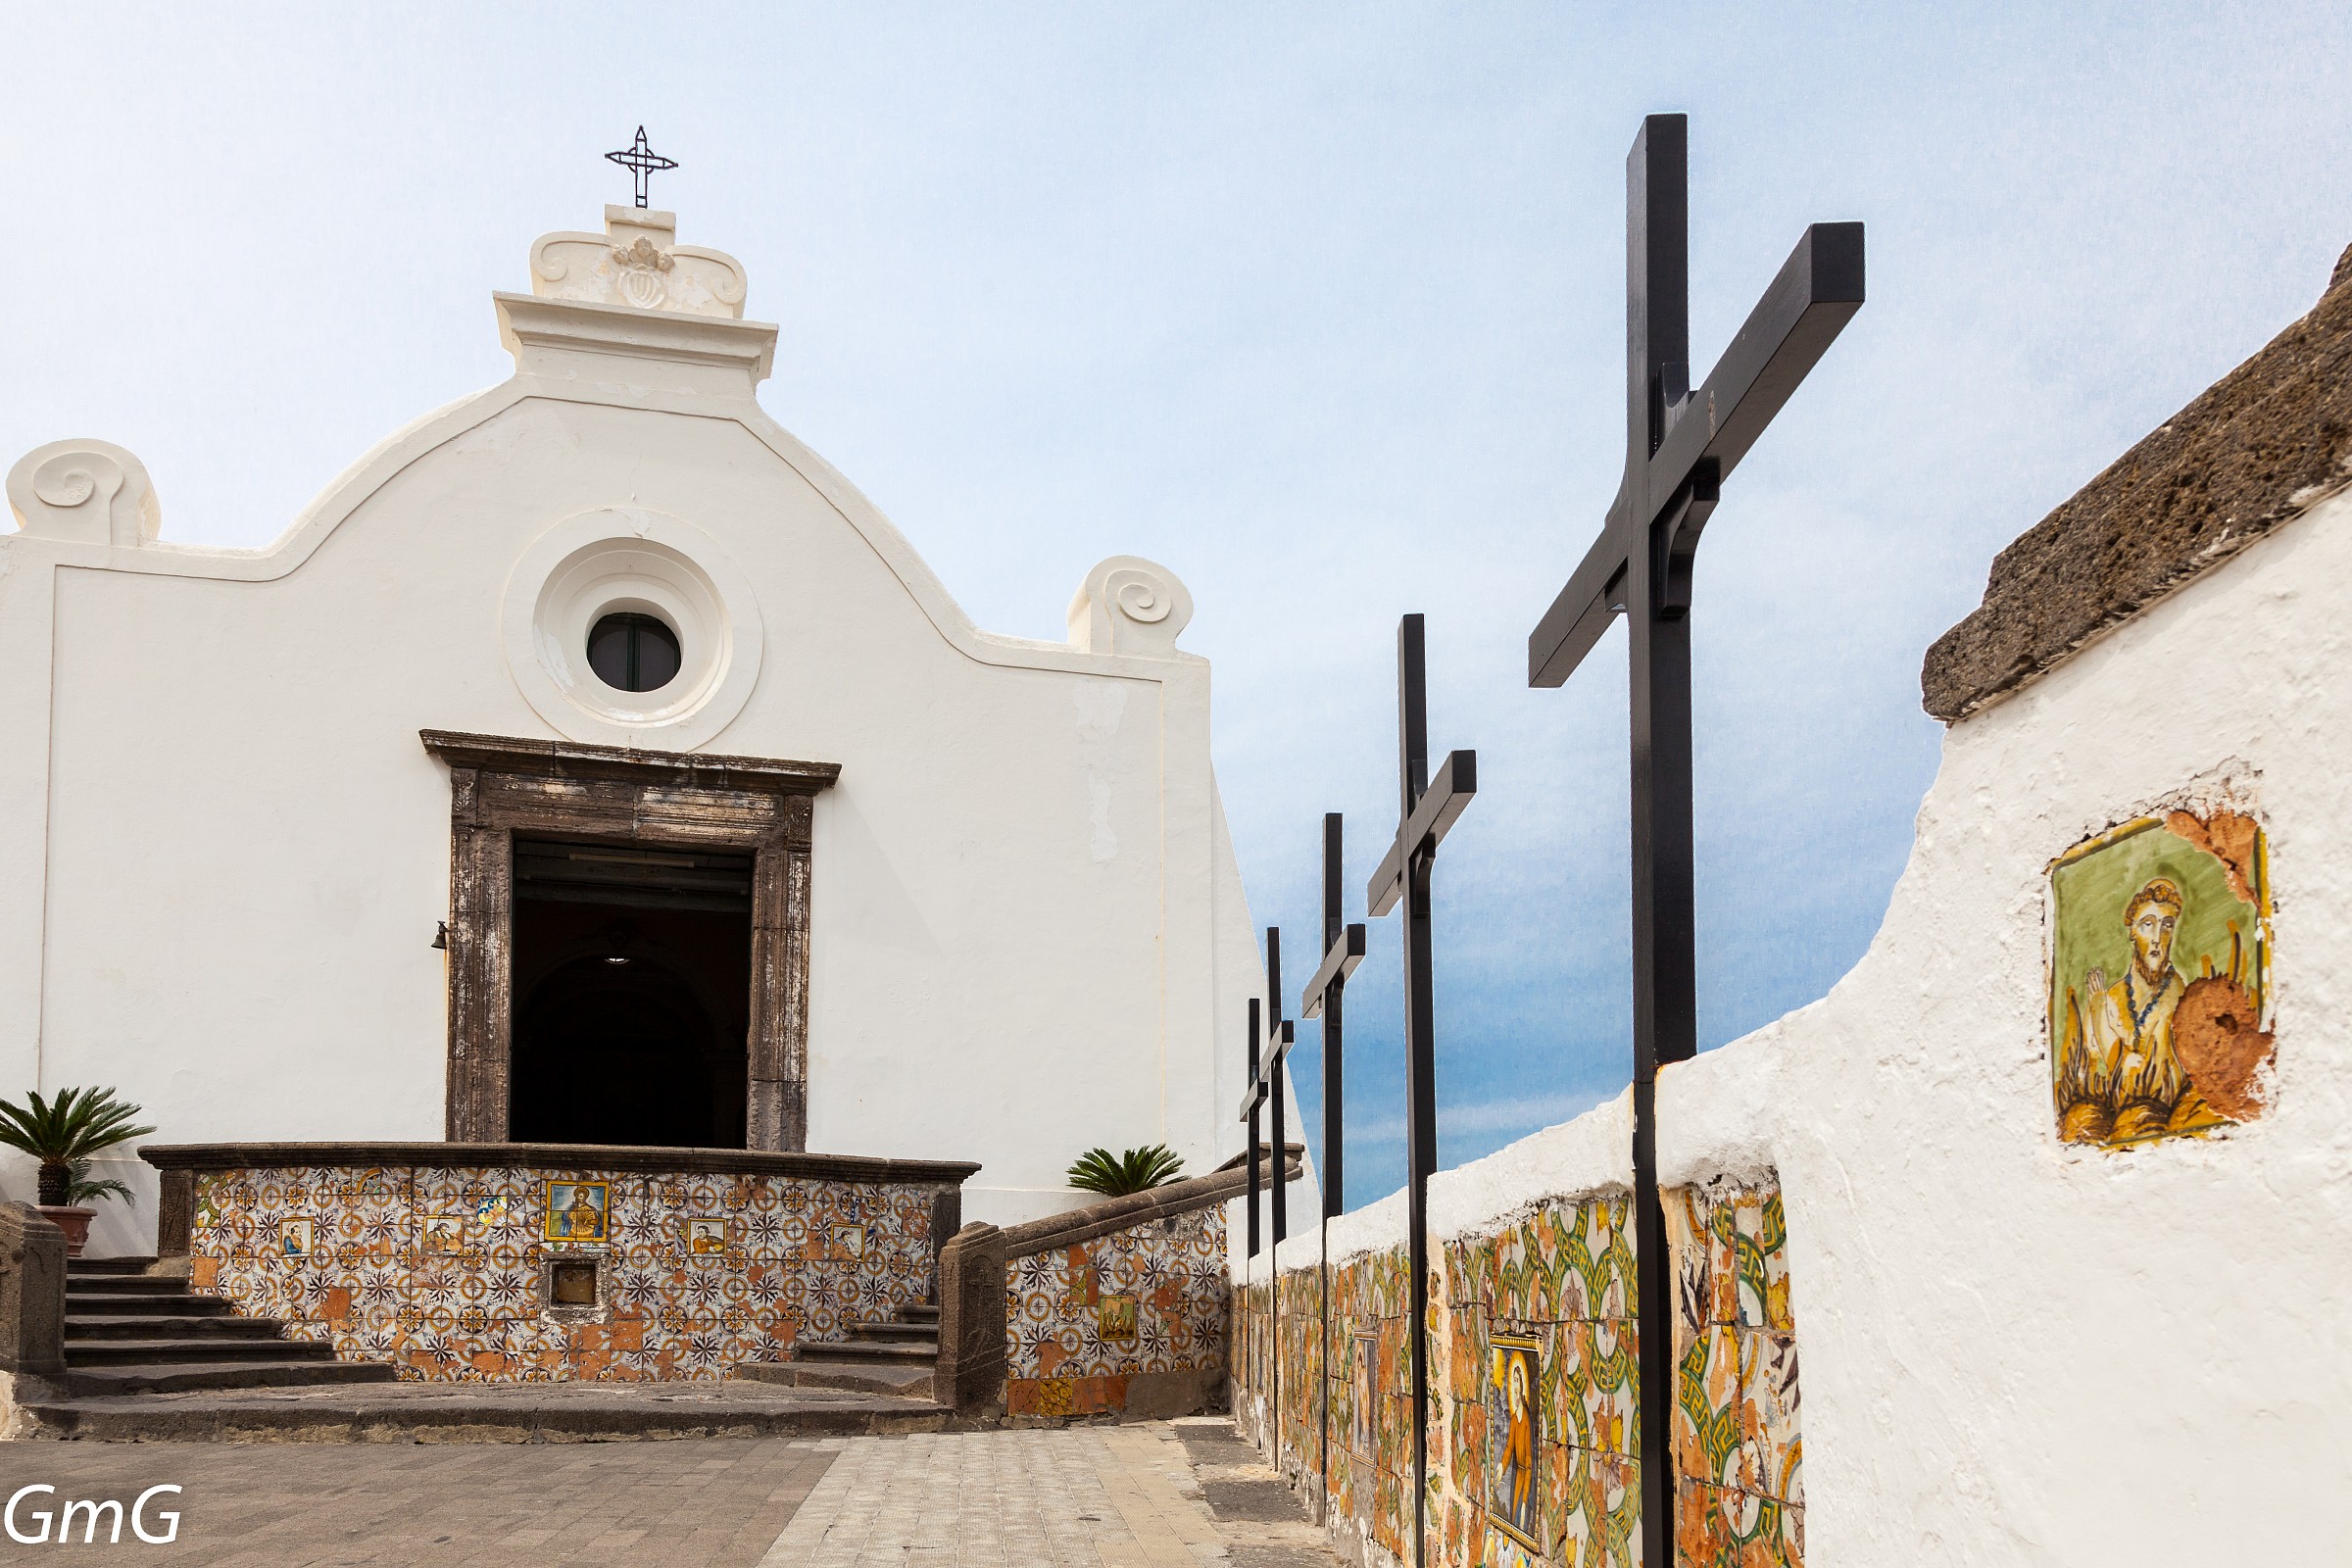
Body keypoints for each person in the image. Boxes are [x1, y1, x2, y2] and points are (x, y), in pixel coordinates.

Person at [2080, 878, 2190, 1142]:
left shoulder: (2180, 995)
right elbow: (2096, 1068)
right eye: (2147, 924)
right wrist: (2097, 1009)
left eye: (2166, 926)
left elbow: (2132, 1070)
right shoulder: (2111, 997)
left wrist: (2099, 1013)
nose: (2157, 939)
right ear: (2132, 931)